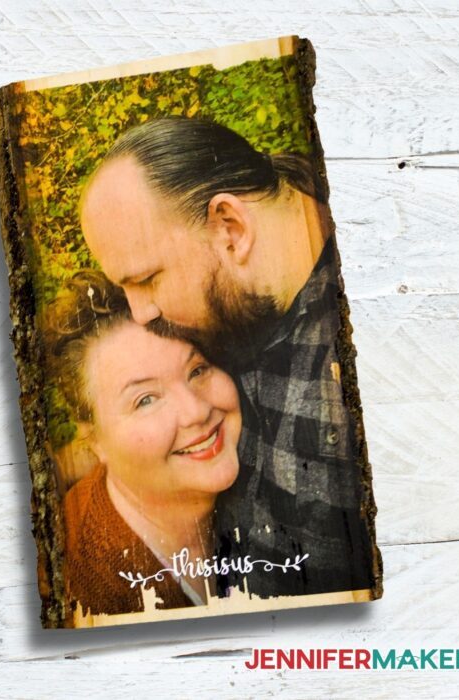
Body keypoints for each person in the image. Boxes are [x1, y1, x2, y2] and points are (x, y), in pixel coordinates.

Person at [79, 117, 376, 597]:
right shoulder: (238, 305)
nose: (140, 313)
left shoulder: (354, 362)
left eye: (148, 279)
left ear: (231, 229)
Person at [45, 270, 243, 616]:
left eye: (197, 370)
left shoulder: (267, 467)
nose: (195, 411)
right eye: (146, 400)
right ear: (95, 440)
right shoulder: (85, 597)